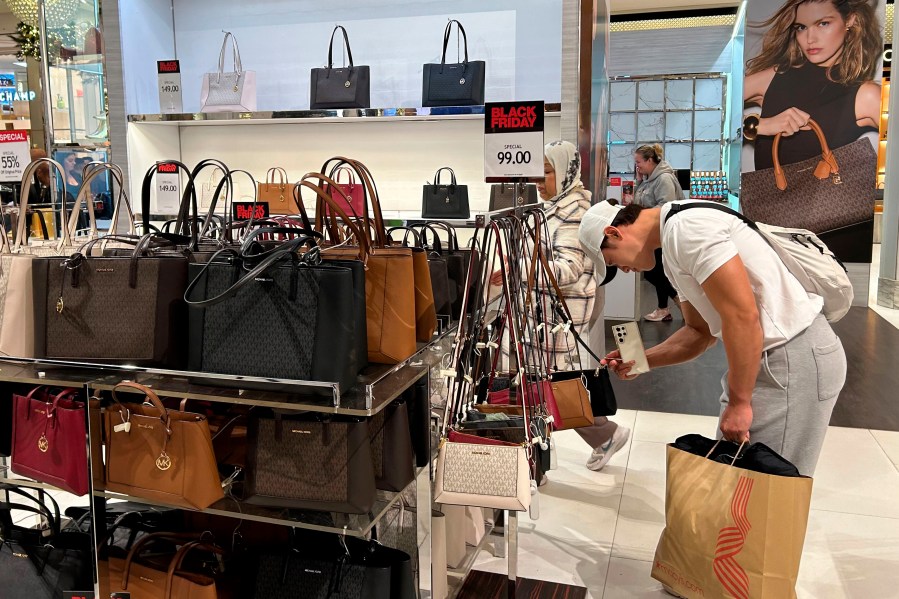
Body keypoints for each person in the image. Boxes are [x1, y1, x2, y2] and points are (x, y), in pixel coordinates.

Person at [578, 199, 847, 476]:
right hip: (773, 359)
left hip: (790, 358)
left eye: (612, 261)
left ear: (614, 233)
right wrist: (641, 360)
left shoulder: (686, 228)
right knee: (743, 489)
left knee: (766, 491)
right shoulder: (674, 238)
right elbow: (699, 333)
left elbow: (742, 316)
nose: (622, 270)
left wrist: (739, 403)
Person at [491, 140, 630, 471]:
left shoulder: (573, 213)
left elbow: (567, 270)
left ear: (567, 172)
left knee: (543, 390)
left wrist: (517, 271)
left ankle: (591, 439)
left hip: (555, 316)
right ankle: (583, 442)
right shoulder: (555, 206)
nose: (540, 182)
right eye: (538, 174)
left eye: (548, 173)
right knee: (543, 388)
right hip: (543, 314)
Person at [743, 0, 882, 170]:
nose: (810, 39)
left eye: (823, 23)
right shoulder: (774, 78)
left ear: (850, 20)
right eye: (801, 27)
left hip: (827, 196)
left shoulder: (865, 95)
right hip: (761, 196)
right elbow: (706, 111)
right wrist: (759, 125)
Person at [634, 144, 683, 323]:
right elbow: (637, 200)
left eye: (639, 162)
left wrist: (643, 215)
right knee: (657, 271)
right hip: (653, 232)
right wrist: (639, 180)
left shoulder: (663, 179)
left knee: (653, 271)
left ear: (650, 160)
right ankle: (664, 308)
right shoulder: (649, 179)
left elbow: (666, 206)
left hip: (663, 232)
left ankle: (678, 300)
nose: (636, 166)